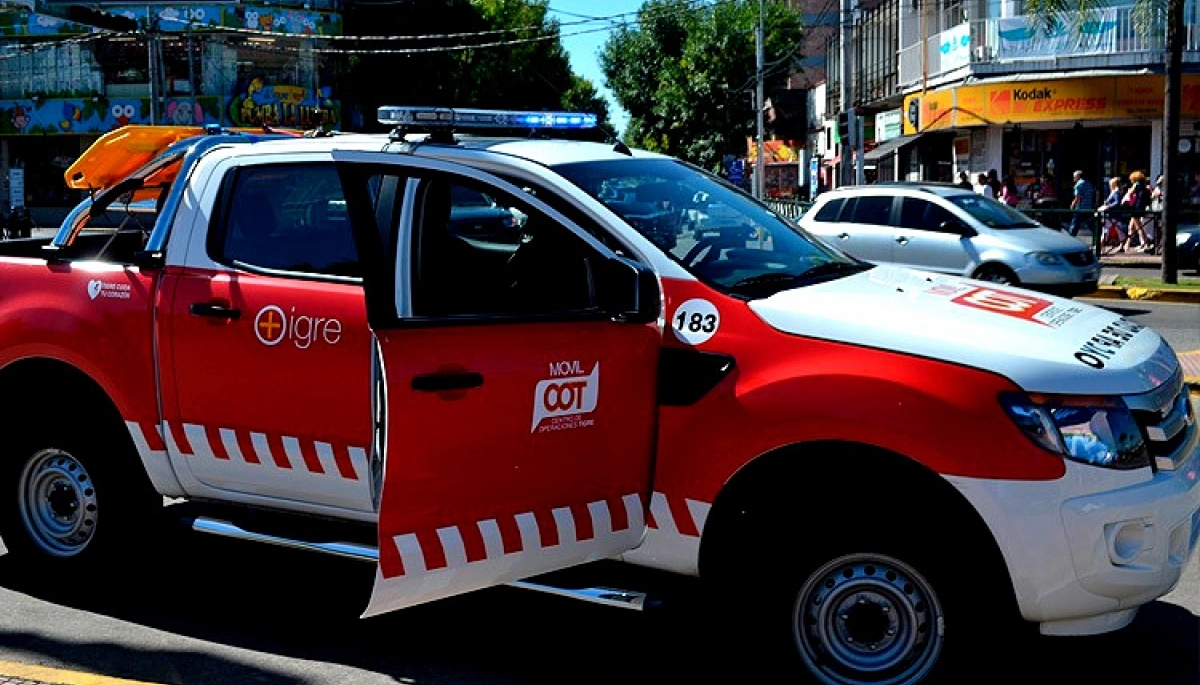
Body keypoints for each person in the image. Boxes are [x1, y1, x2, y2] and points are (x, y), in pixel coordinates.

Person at [1120, 170, 1151, 253]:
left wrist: (1128, 194)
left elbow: (1129, 193)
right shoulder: (1144, 186)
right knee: (1131, 227)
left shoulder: (1136, 185)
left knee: (1138, 227)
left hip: (1136, 208)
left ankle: (1146, 244)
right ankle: (1127, 245)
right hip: (1142, 207)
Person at [1096, 176, 1126, 253]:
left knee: (1106, 230)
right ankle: (1121, 245)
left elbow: (1117, 202)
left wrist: (1108, 206)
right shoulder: (1118, 192)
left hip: (1111, 215)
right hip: (1115, 215)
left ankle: (1101, 247)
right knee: (1119, 230)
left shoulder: (1115, 192)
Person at [1068, 170, 1096, 237]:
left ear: (1078, 176)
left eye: (1074, 177)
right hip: (1088, 207)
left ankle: (1071, 238)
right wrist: (1095, 203)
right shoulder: (1089, 183)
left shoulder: (1078, 185)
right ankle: (1098, 235)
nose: (1073, 178)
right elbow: (1096, 192)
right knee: (1090, 223)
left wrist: (1072, 204)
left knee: (1075, 224)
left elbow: (1078, 196)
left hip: (1080, 208)